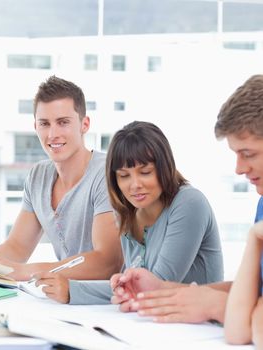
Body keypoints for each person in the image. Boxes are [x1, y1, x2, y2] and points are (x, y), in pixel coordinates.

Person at [110, 75, 263, 334]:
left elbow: (251, 327)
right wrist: (163, 290)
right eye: (124, 176)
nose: (238, 168)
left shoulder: (188, 202)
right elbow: (255, 293)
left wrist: (219, 305)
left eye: (248, 154)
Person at [34, 121, 223, 304]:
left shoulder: (189, 203)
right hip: (155, 321)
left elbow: (155, 286)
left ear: (165, 168)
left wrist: (72, 290)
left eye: (145, 172)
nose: (135, 185)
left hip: (199, 327)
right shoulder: (127, 213)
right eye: (124, 176)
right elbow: (131, 288)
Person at [0, 75, 123, 281]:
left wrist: (28, 271)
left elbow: (107, 262)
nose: (52, 134)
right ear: (35, 127)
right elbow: (17, 247)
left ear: (84, 124)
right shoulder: (38, 175)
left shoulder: (105, 174)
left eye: (63, 122)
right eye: (45, 124)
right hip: (62, 296)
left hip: (109, 300)